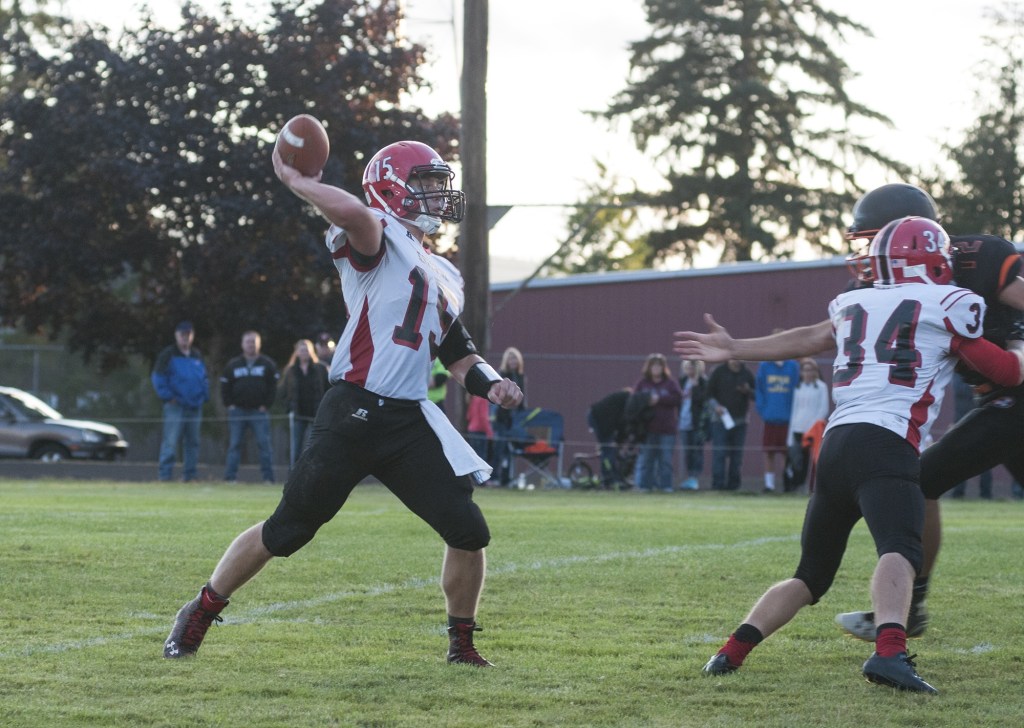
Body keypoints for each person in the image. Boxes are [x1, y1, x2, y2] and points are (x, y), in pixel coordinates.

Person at [164, 139, 523, 667]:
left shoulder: (444, 272)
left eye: (436, 182)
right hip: (352, 410)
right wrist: (299, 182)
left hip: (405, 420)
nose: (436, 193)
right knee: (287, 530)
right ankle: (201, 607)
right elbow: (356, 212)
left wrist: (494, 385)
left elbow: (457, 352)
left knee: (468, 529)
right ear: (391, 187)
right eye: (423, 181)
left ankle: (461, 645)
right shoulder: (376, 235)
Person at [684, 216, 1024, 693]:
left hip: (836, 444)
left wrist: (735, 347)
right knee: (901, 551)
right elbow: (1007, 373)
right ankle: (889, 656)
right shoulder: (951, 302)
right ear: (934, 259)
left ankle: (729, 653)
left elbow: (807, 337)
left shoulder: (852, 303)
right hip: (887, 443)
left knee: (810, 574)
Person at [151, 320, 209, 482]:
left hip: (195, 406)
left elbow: (203, 378)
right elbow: (157, 378)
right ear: (176, 336)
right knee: (170, 441)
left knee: (193, 442)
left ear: (192, 336)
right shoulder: (168, 354)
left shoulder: (196, 355)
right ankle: (165, 475)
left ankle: (190, 475)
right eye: (182, 335)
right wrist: (168, 397)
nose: (185, 338)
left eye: (188, 334)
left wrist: (204, 395)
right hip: (175, 406)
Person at [221, 330, 280, 483]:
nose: (250, 344)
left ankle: (268, 478)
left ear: (259, 344)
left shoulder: (267, 364)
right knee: (234, 445)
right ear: (242, 344)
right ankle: (230, 478)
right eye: (248, 341)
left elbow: (273, 387)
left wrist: (266, 405)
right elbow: (224, 386)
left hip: (258, 411)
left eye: (253, 341)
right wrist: (230, 404)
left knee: (264, 445)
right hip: (238, 411)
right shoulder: (233, 365)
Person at [631, 353, 683, 492]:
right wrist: (647, 400)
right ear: (649, 368)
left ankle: (666, 486)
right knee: (647, 459)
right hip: (648, 429)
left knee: (665, 460)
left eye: (659, 366)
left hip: (667, 429)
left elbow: (678, 399)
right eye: (653, 366)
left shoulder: (670, 384)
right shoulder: (643, 384)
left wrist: (659, 399)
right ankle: (645, 486)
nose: (656, 368)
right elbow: (633, 401)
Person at [279, 339, 330, 469]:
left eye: (306, 350)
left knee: (316, 446)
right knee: (296, 447)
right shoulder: (290, 371)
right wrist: (289, 407)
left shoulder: (321, 369)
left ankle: (316, 473)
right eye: (301, 350)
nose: (304, 352)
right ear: (297, 352)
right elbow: (283, 392)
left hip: (316, 413)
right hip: (298, 413)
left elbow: (328, 388)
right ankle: (293, 475)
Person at [706, 359, 755, 491]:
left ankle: (733, 486)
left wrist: (748, 391)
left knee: (736, 455)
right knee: (719, 453)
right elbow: (708, 394)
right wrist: (716, 407)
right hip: (720, 420)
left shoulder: (746, 373)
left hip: (740, 421)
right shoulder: (718, 371)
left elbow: (756, 395)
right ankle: (717, 485)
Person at [783, 358, 830, 492]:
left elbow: (823, 409)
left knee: (813, 460)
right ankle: (796, 486)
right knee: (797, 460)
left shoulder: (821, 387)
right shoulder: (798, 387)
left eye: (810, 370)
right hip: (798, 428)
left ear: (815, 371)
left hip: (812, 431)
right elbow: (795, 410)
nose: (808, 373)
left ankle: (812, 488)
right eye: (805, 370)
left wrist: (812, 427)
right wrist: (790, 436)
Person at [754, 353, 799, 492]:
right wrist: (764, 410)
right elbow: (759, 390)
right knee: (769, 452)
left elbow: (796, 389)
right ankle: (769, 485)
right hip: (770, 417)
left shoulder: (793, 366)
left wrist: (793, 411)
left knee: (786, 453)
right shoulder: (764, 366)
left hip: (788, 418)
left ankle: (787, 483)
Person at [948, 373, 992, 499]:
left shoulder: (958, 377)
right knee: (983, 458)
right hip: (974, 418)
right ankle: (984, 494)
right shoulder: (977, 375)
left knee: (968, 458)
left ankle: (963, 493)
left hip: (967, 419)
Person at [491, 347, 526, 486]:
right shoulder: (502, 375)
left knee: (509, 450)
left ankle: (506, 478)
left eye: (515, 359)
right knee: (499, 448)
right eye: (511, 359)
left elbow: (523, 398)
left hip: (514, 419)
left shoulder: (521, 376)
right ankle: (494, 477)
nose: (513, 361)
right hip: (501, 418)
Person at [588, 388, 632, 489]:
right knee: (607, 451)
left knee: (610, 450)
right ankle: (608, 478)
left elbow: (623, 426)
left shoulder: (628, 404)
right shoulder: (626, 400)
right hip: (598, 419)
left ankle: (614, 476)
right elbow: (620, 424)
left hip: (608, 424)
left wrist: (618, 442)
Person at [677, 360, 709, 491]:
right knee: (688, 452)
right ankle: (689, 477)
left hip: (698, 424)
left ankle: (694, 478)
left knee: (697, 451)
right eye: (687, 368)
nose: (690, 371)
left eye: (692, 368)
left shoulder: (703, 382)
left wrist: (695, 387)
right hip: (684, 422)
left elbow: (702, 400)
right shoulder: (682, 381)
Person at [465, 393, 494, 475]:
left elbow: (468, 416)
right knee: (481, 457)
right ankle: (481, 478)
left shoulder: (473, 398)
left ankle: (474, 478)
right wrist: (489, 432)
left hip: (472, 429)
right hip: (480, 430)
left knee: (474, 456)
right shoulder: (483, 399)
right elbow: (483, 417)